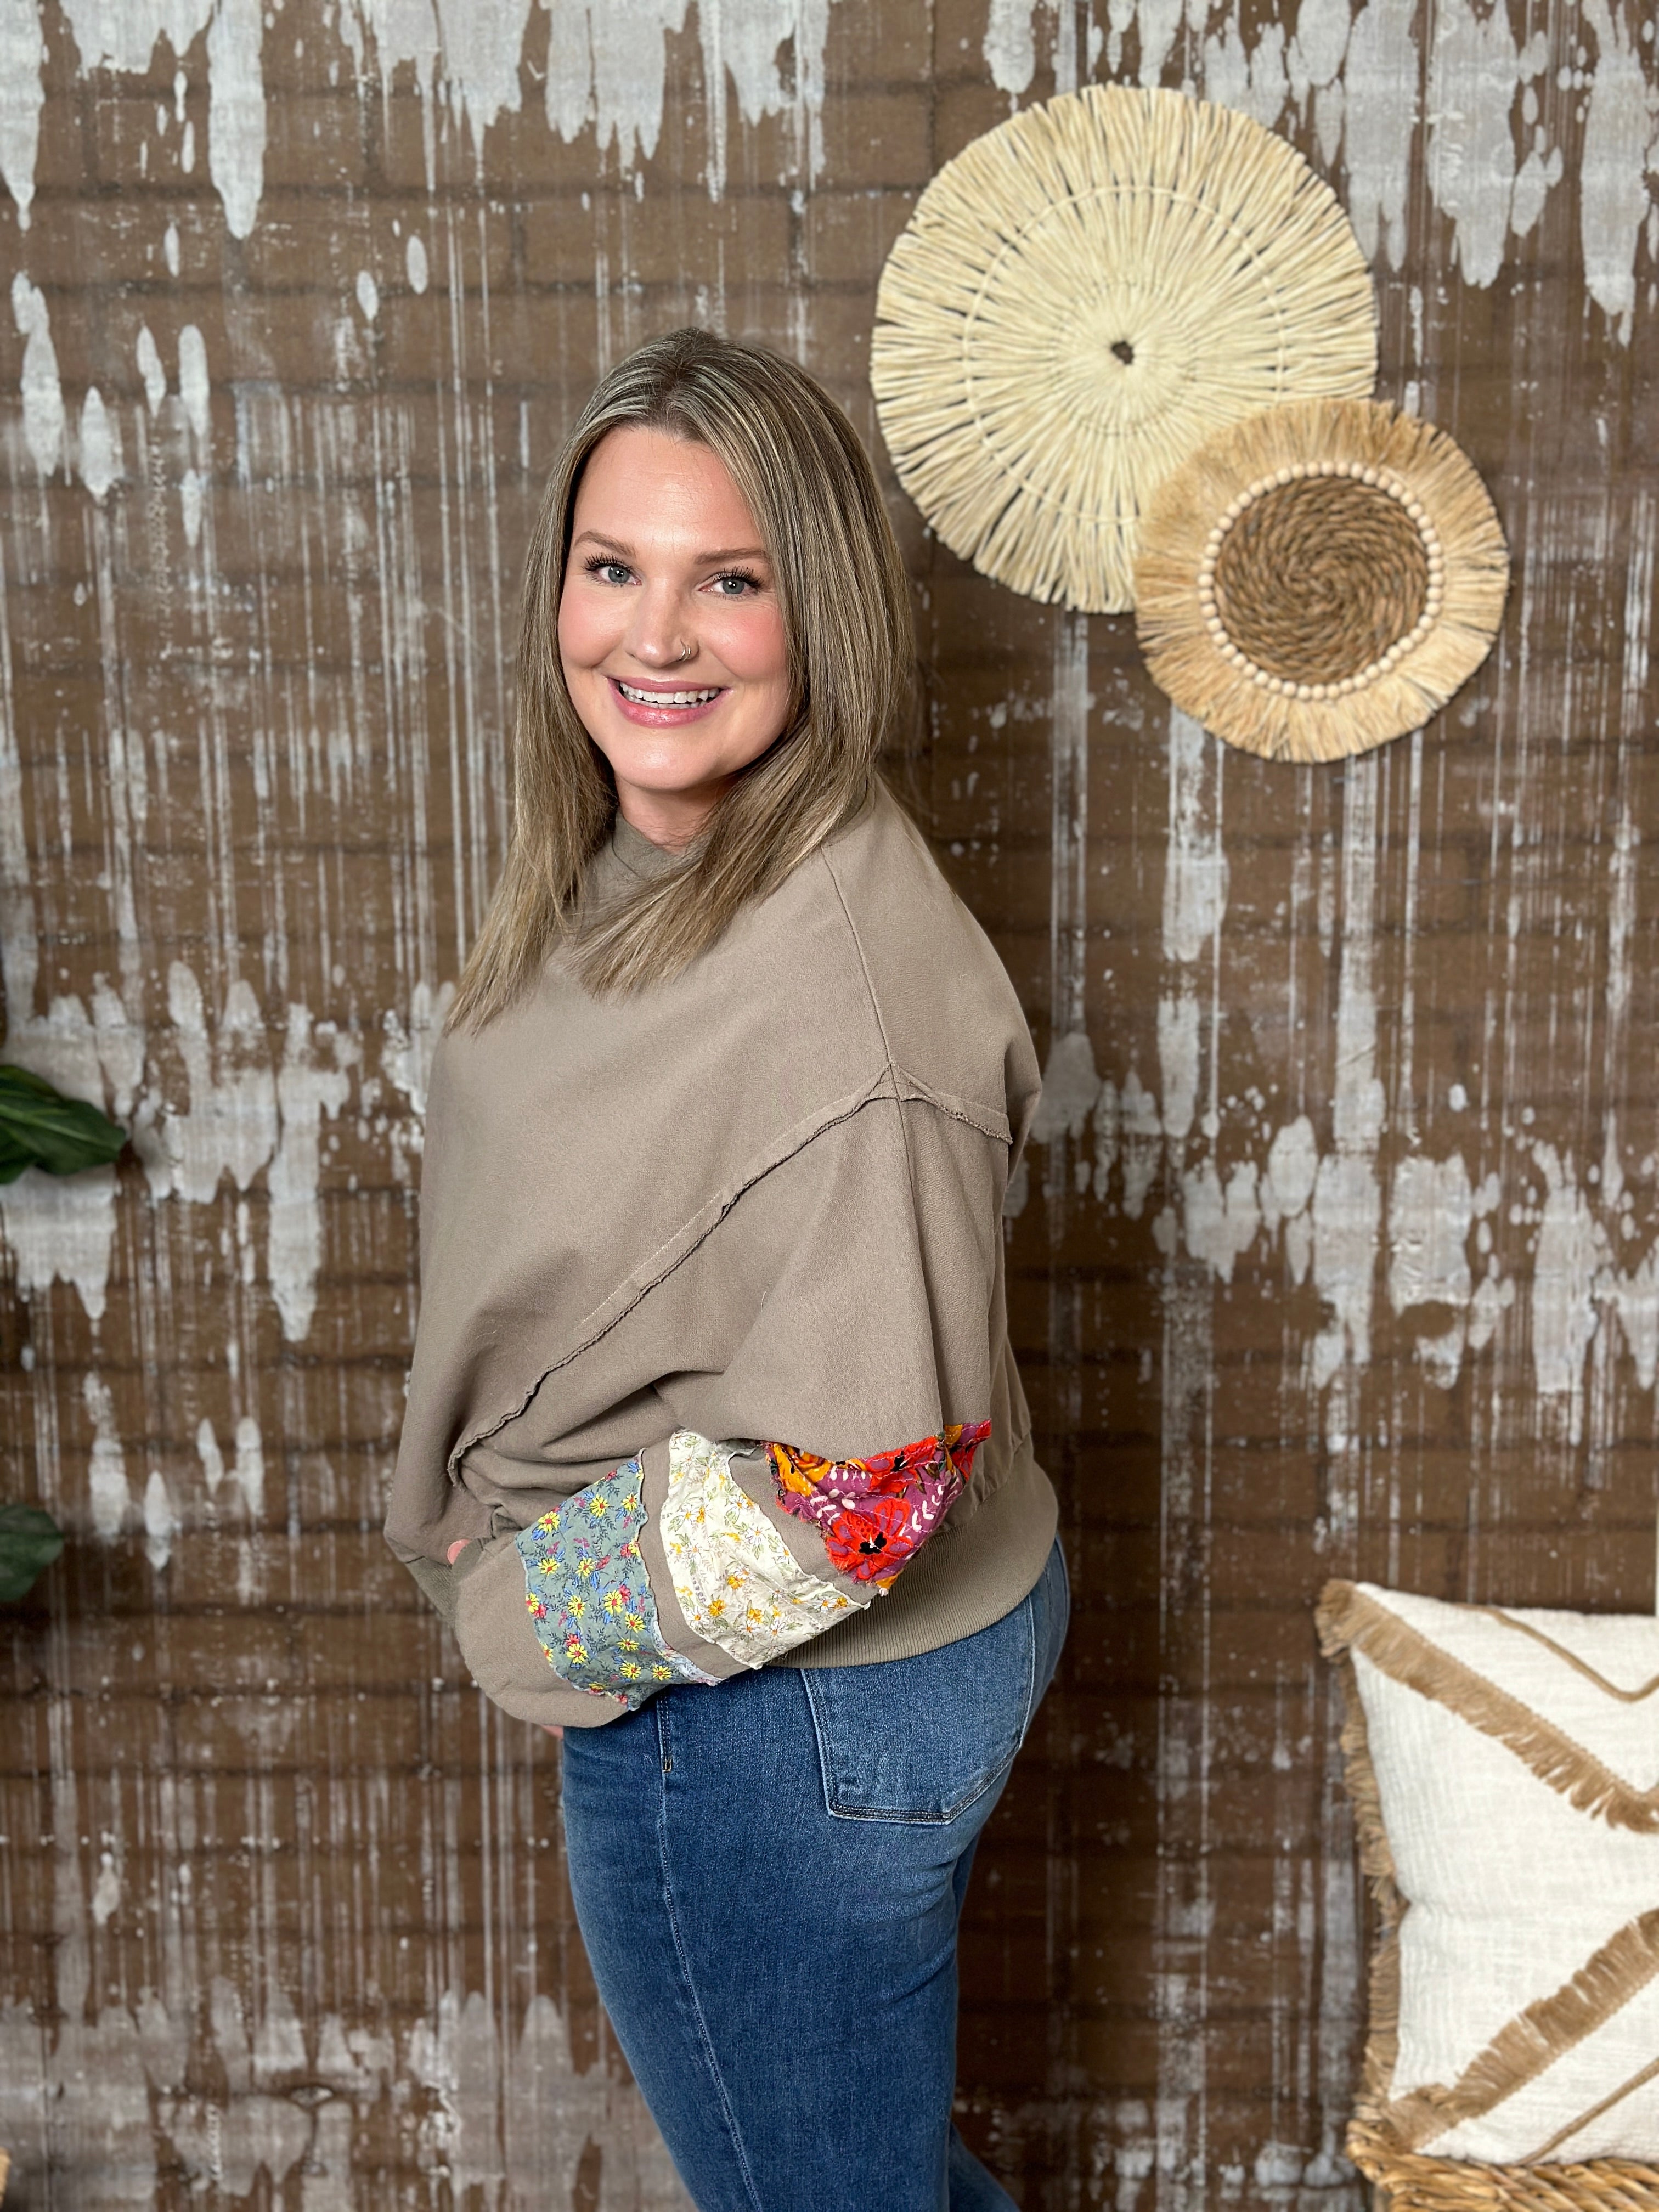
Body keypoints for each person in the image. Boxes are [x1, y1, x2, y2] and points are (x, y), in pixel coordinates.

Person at [385, 327, 1068, 2212]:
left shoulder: (851, 1006)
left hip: (778, 1724)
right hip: (789, 1689)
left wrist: (522, 1609)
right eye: (614, 567)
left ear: (820, 609)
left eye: (732, 581)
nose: (657, 636)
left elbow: (868, 1485)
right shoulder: (656, 851)